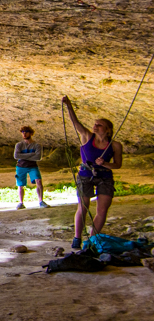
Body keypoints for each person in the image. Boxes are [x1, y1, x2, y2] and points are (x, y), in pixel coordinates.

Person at [61, 96, 123, 250]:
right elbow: (76, 124)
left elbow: (118, 165)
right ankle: (77, 237)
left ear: (107, 130)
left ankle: (92, 240)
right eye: (95, 124)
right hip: (85, 174)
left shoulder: (115, 145)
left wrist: (106, 164)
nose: (95, 127)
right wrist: (69, 106)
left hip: (105, 176)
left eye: (99, 125)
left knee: (102, 209)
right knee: (84, 206)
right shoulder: (87, 137)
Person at [14, 125, 48, 209]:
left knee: (39, 181)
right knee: (20, 185)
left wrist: (23, 156)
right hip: (21, 166)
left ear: (31, 133)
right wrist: (31, 154)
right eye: (23, 132)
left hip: (32, 166)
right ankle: (21, 202)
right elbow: (16, 156)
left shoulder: (37, 145)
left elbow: (38, 157)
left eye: (26, 132)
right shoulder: (19, 145)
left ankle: (41, 201)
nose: (24, 134)